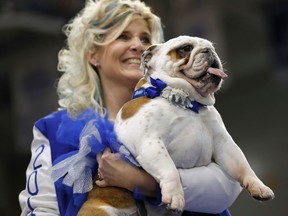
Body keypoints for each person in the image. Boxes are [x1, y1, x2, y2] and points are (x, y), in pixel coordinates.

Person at [19, 0, 242, 215]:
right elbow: (41, 210)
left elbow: (230, 185)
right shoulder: (54, 130)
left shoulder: (194, 111)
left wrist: (142, 181)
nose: (137, 45)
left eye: (145, 39)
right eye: (123, 36)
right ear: (93, 54)